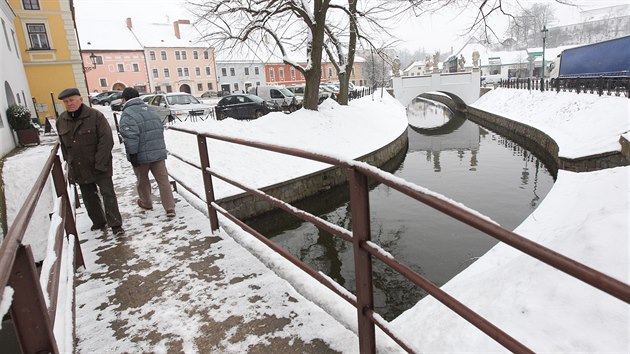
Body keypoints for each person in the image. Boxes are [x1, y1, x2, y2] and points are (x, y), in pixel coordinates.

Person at [56, 87, 124, 235]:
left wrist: (100, 163)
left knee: (108, 194)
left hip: (100, 164)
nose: (69, 104)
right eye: (66, 102)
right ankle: (98, 222)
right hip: (79, 166)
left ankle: (115, 225)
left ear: (80, 100)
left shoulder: (95, 116)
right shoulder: (62, 120)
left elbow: (106, 141)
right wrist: (70, 164)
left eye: (72, 100)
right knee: (88, 197)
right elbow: (64, 146)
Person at [119, 87, 176, 217]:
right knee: (163, 180)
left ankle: (146, 202)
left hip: (140, 154)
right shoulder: (151, 109)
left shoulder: (127, 113)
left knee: (142, 180)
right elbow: (159, 128)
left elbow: (131, 136)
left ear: (124, 99)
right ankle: (170, 208)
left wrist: (132, 154)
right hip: (158, 153)